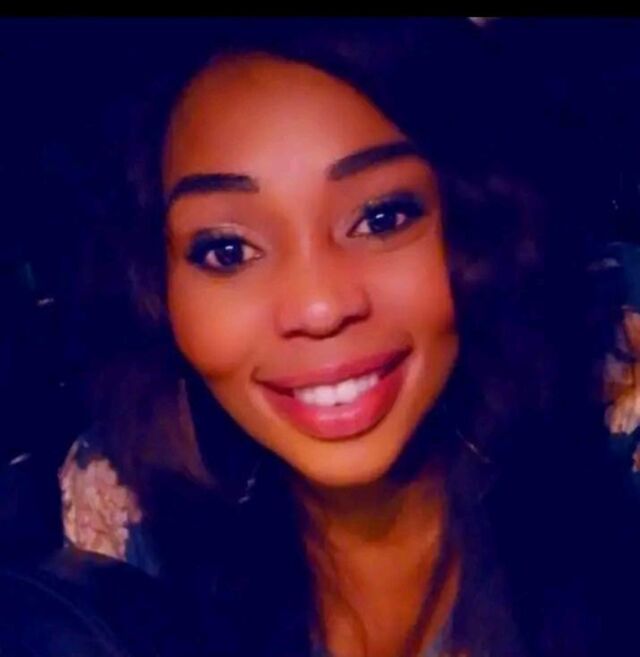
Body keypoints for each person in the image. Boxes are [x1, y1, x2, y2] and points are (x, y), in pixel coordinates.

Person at [59, 18, 640, 657]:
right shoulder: (127, 511)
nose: (319, 308)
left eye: (382, 218)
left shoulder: (615, 401)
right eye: (228, 250)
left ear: (482, 227)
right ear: (158, 289)